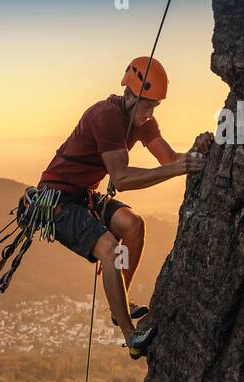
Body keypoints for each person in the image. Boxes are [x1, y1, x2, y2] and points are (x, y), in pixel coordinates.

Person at [38, 57, 213, 358]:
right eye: (146, 106)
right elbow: (122, 179)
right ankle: (131, 338)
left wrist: (195, 153)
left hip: (84, 196)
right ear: (130, 95)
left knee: (134, 225)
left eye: (154, 107)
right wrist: (179, 169)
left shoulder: (143, 121)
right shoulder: (105, 116)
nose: (149, 113)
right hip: (57, 199)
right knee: (108, 248)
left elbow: (169, 159)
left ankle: (120, 308)